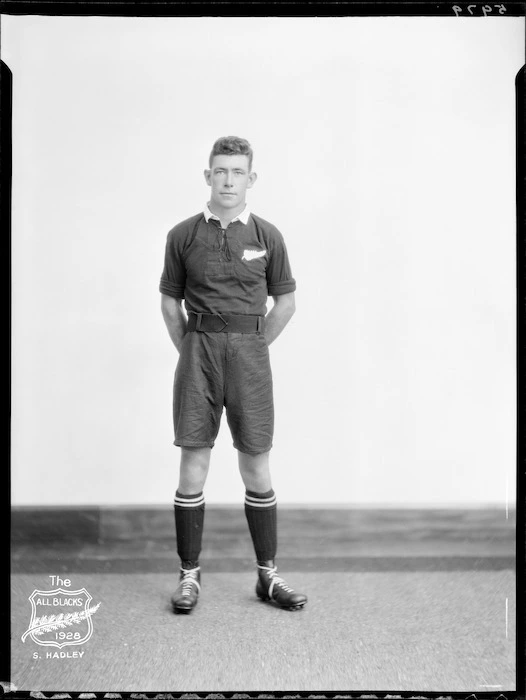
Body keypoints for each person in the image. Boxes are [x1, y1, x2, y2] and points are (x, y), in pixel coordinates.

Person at [159, 135, 307, 614]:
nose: (228, 180)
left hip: (249, 355)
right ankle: (188, 576)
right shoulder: (182, 235)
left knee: (256, 461)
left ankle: (268, 576)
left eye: (237, 172)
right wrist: (191, 347)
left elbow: (285, 302)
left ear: (251, 179)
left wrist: (254, 345)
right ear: (208, 176)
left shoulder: (268, 236)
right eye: (220, 171)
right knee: (193, 461)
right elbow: (169, 300)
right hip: (198, 351)